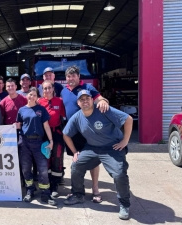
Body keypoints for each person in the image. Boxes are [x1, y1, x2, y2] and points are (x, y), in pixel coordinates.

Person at [62, 89, 132, 220]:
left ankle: (124, 204)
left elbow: (128, 119)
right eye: (82, 99)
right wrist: (75, 152)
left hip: (112, 148)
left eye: (87, 98)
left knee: (119, 173)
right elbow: (66, 134)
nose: (85, 101)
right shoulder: (77, 117)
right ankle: (78, 194)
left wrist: (125, 141)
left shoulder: (103, 109)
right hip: (92, 148)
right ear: (78, 103)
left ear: (92, 99)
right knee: (76, 166)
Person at [61, 65, 109, 203]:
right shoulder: (64, 91)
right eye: (68, 76)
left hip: (89, 131)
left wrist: (104, 101)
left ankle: (95, 189)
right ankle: (78, 190)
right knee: (76, 159)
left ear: (78, 77)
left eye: (73, 76)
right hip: (73, 133)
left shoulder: (88, 88)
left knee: (93, 161)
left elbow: (99, 98)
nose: (71, 79)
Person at [16, 87, 56, 206]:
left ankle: (45, 193)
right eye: (30, 94)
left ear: (37, 97)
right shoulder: (21, 110)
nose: (31, 97)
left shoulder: (41, 109)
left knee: (43, 169)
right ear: (27, 96)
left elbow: (47, 126)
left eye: (34, 95)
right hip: (25, 143)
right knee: (26, 168)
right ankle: (30, 190)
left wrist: (51, 140)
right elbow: (18, 125)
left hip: (38, 142)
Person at [37, 80, 66, 199]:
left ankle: (55, 185)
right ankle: (46, 183)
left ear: (53, 89)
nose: (47, 90)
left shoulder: (59, 101)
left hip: (57, 133)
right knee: (45, 158)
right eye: (45, 88)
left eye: (49, 88)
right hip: (43, 134)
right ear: (42, 90)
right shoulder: (39, 102)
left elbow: (66, 116)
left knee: (57, 158)